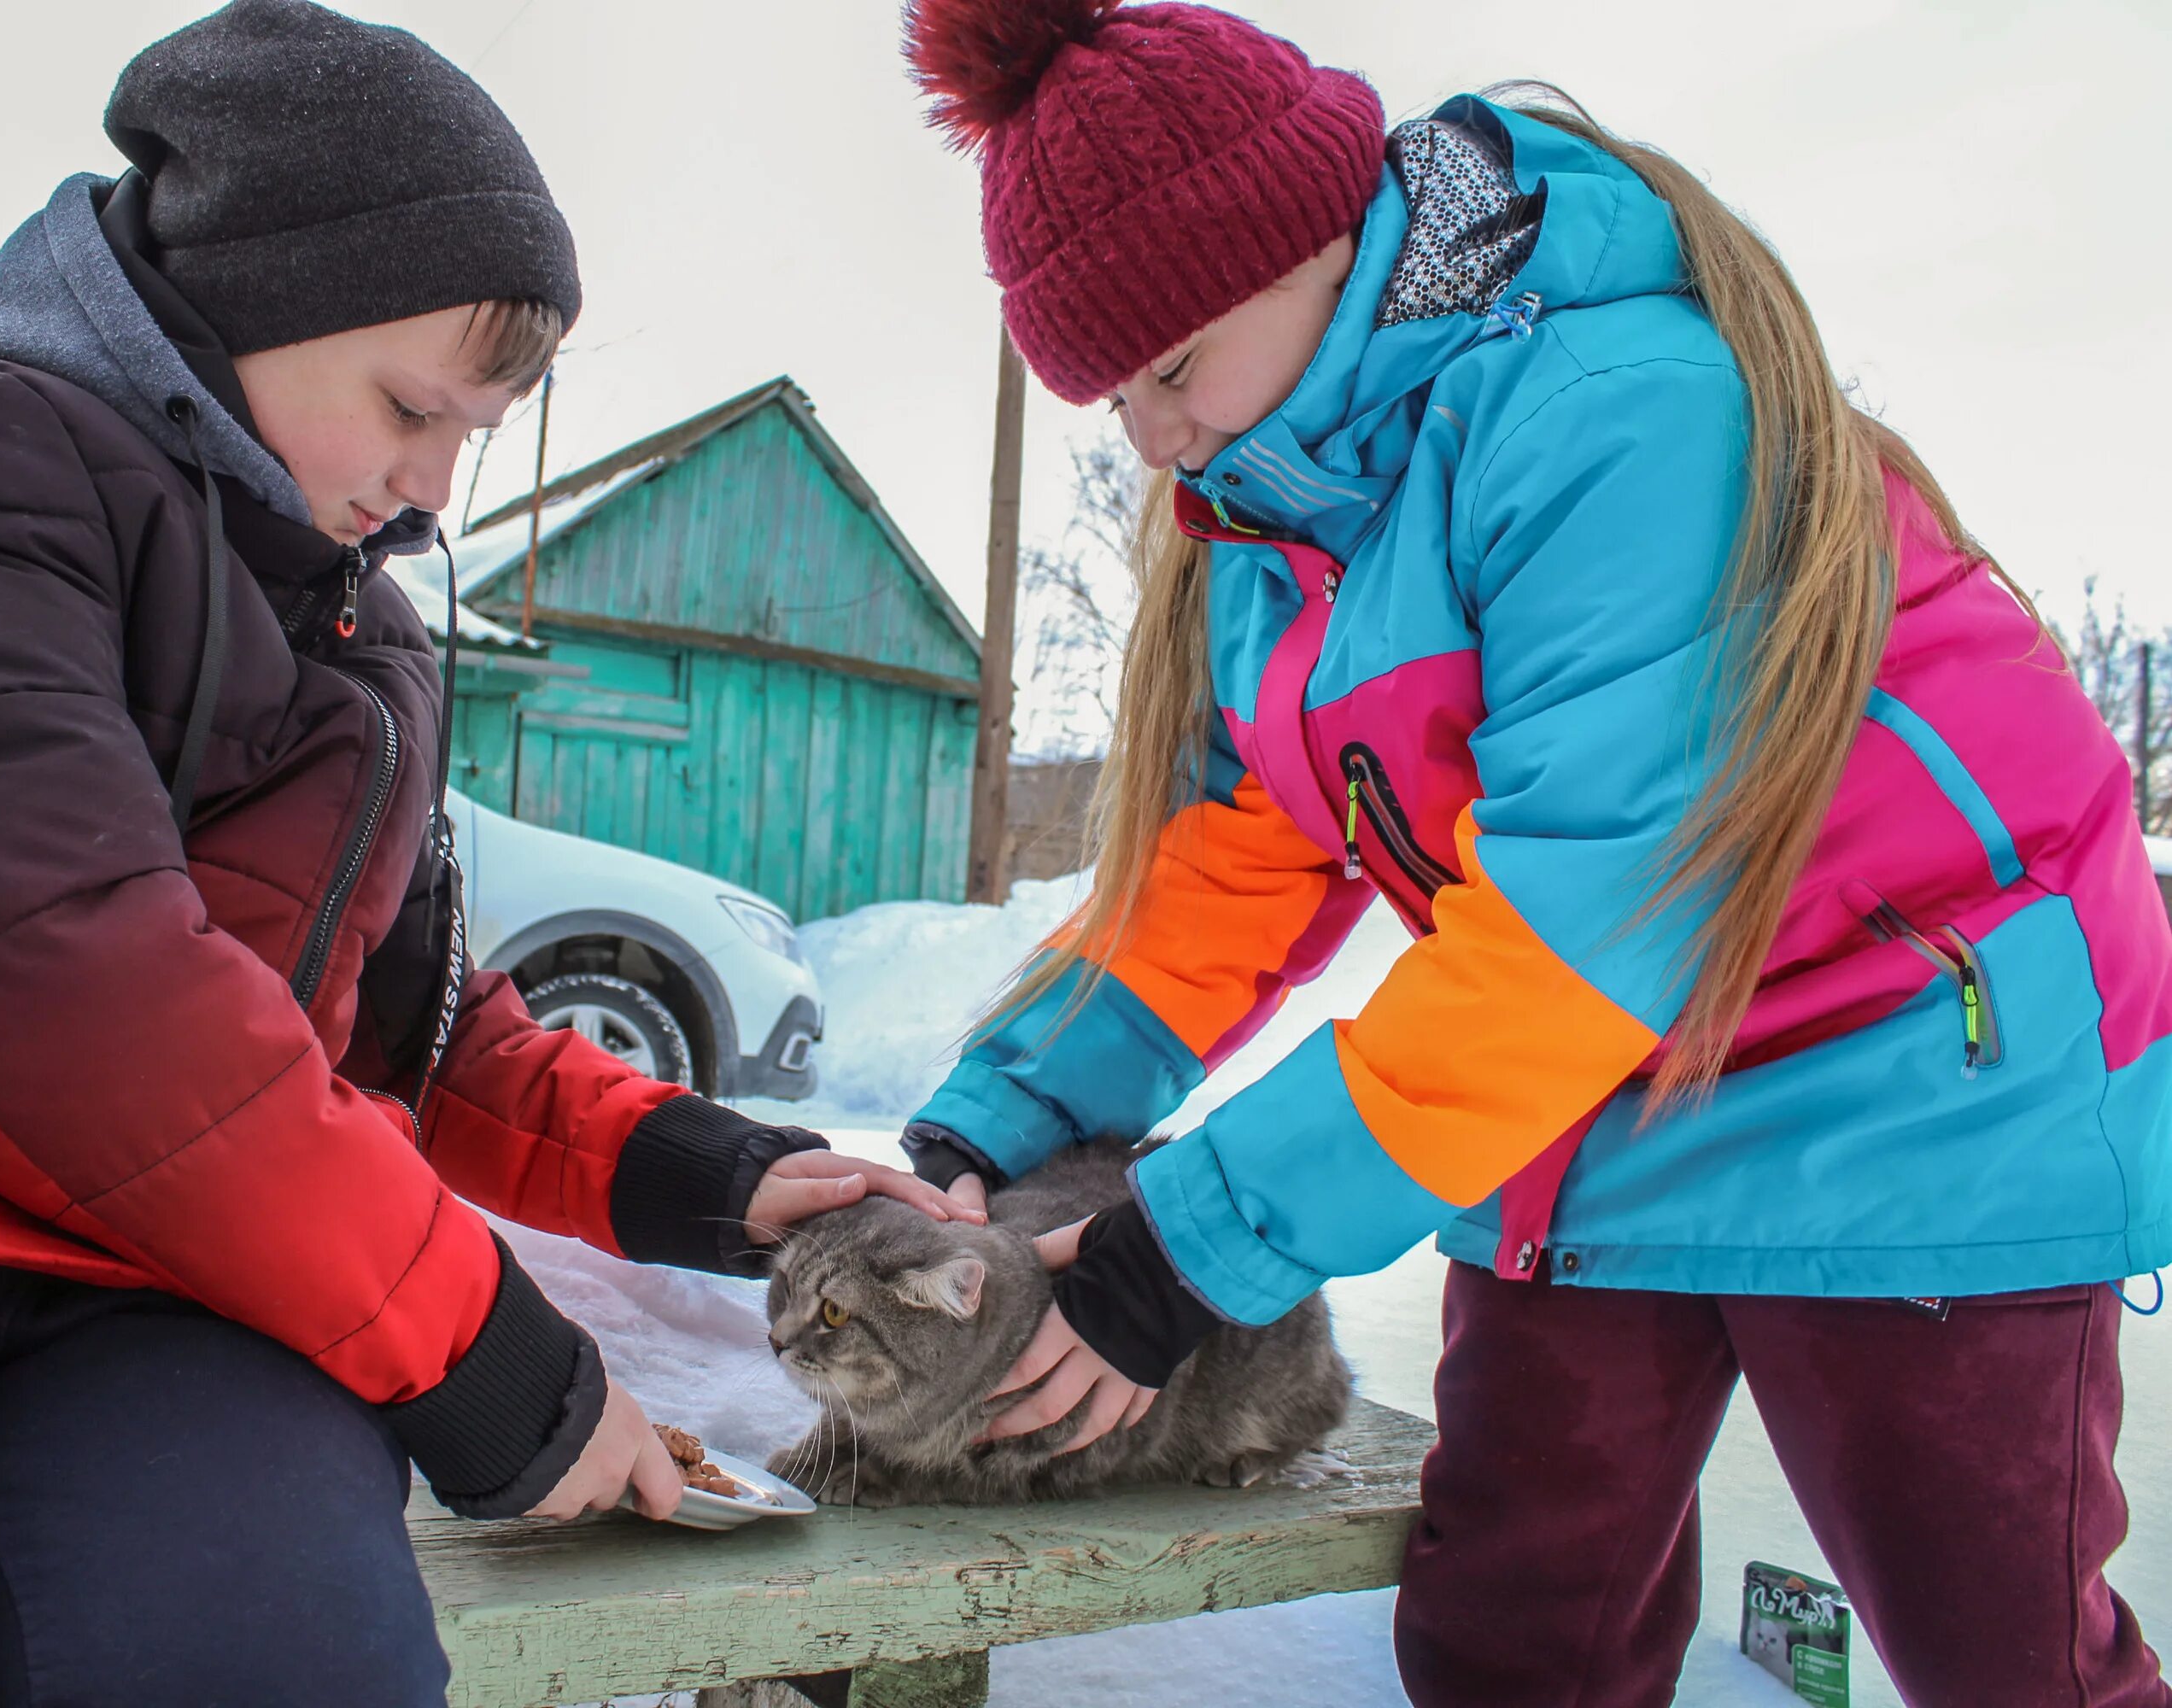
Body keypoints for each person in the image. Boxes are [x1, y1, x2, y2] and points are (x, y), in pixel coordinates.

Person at [0, 3, 968, 1703]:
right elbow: (54, 980)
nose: (432, 489)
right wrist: (492, 1361)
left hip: (161, 1271)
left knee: (271, 1652)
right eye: (413, 406)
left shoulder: (356, 640)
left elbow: (393, 1030)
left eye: (474, 432)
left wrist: (705, 1170)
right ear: (254, 300)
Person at [895, 2, 2172, 1703]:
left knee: (1995, 1646)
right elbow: (1246, 855)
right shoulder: (1283, 529)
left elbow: (1592, 910)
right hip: (1589, 1089)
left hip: (1908, 1078)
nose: (1149, 437)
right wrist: (1001, 1114)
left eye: (1170, 367)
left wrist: (1182, 1245)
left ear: (1318, 252)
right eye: (1112, 392)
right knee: (1513, 1637)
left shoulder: (1617, 410)